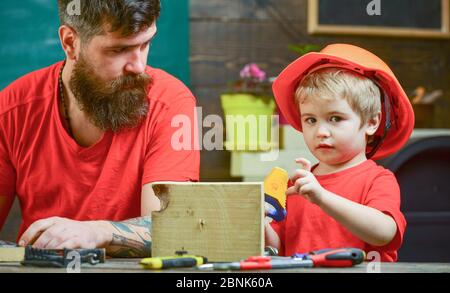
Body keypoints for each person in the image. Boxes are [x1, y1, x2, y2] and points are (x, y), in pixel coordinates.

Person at [0, 0, 199, 257]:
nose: (138, 66)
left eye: (145, 44)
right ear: (71, 42)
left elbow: (175, 228)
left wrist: (97, 232)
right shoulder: (12, 108)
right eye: (118, 50)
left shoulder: (171, 104)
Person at [265, 44, 415, 261]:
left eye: (335, 118)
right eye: (311, 120)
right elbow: (277, 249)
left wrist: (322, 197)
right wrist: (260, 224)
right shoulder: (297, 185)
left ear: (372, 122)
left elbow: (384, 233)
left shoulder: (378, 179)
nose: (321, 132)